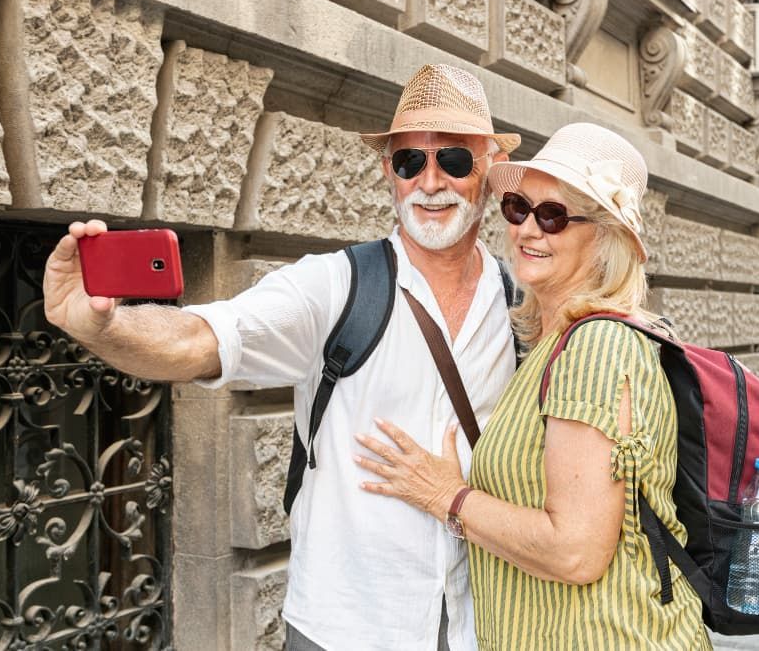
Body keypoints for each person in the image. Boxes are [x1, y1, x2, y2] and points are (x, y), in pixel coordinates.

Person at [43, 64, 521, 651]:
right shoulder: (336, 285)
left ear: (490, 172)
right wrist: (103, 327)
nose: (429, 182)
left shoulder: (520, 301)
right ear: (387, 174)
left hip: (485, 623)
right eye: (408, 162)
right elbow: (201, 340)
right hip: (346, 628)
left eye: (453, 160)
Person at [354, 122, 712, 649]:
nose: (527, 230)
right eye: (519, 208)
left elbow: (575, 551)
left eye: (554, 216)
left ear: (606, 235)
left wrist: (447, 496)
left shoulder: (595, 348)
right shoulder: (555, 343)